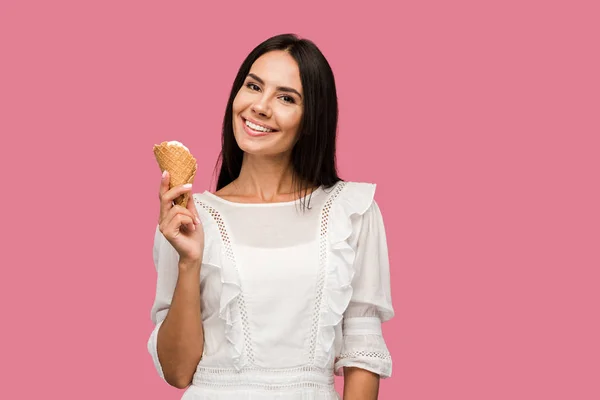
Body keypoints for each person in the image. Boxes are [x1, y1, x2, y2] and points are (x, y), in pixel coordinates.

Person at [147, 33, 394, 399]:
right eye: (253, 86)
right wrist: (189, 262)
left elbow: (362, 355)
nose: (260, 107)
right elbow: (178, 371)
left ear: (311, 118)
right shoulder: (189, 217)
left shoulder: (352, 210)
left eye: (285, 98)